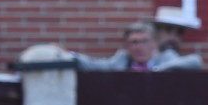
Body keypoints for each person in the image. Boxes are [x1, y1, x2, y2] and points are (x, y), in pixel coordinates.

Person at [70, 20, 201, 71]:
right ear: (127, 46)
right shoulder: (121, 60)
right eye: (134, 42)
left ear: (154, 44)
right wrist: (65, 55)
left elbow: (195, 62)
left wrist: (156, 70)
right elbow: (93, 65)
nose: (139, 47)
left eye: (144, 42)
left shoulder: (165, 57)